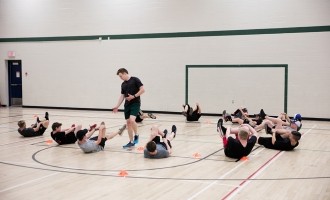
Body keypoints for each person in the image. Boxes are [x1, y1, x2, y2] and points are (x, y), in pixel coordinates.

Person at [112, 68, 145, 148]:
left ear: (124, 73)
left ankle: (136, 135)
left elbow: (143, 90)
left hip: (135, 103)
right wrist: (117, 106)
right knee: (128, 123)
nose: (120, 78)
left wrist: (133, 96)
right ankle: (131, 141)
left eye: (120, 76)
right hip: (127, 105)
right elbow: (122, 96)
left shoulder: (135, 79)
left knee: (132, 120)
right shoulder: (123, 84)